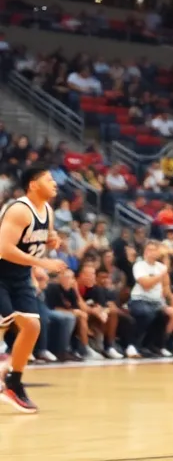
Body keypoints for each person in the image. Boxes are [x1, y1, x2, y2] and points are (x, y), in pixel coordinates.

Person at [0, 164, 64, 412]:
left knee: (32, 325)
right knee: (4, 322)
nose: (55, 183)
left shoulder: (47, 210)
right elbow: (4, 249)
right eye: (49, 179)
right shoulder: (19, 210)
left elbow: (40, 239)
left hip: (20, 275)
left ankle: (13, 382)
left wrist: (51, 240)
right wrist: (42, 262)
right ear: (33, 185)